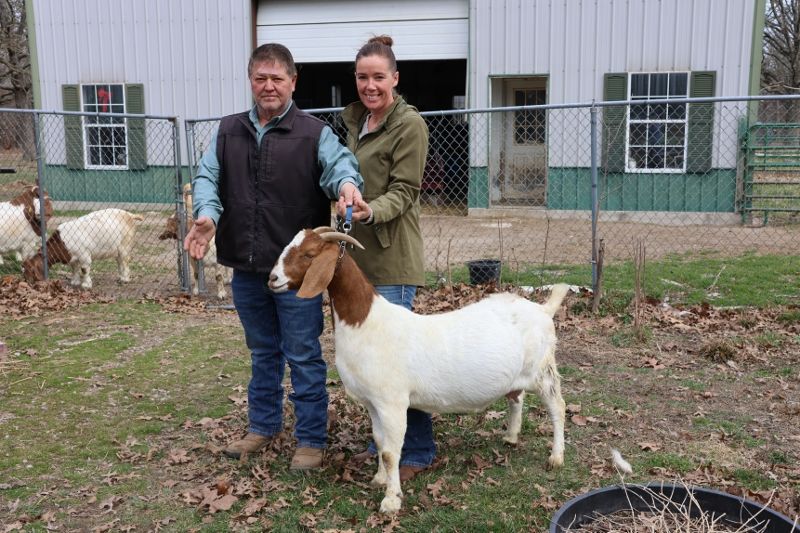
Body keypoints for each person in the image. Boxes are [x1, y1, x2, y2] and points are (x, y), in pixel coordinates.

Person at [185, 43, 363, 470]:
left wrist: (346, 187)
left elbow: (339, 165)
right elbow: (207, 176)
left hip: (297, 273)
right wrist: (207, 215)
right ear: (251, 81)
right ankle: (262, 427)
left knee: (302, 354)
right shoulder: (228, 131)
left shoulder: (314, 132)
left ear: (292, 82)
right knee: (263, 352)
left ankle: (311, 440)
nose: (268, 86)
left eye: (277, 78)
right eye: (260, 78)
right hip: (247, 269)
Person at [335, 35, 436, 482]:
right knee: (369, 359)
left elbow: (405, 191)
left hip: (392, 256)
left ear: (395, 78)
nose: (370, 85)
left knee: (398, 362)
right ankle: (383, 443)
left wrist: (370, 210)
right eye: (362, 77)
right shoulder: (356, 121)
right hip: (359, 260)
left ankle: (417, 449)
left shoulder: (409, 125)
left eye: (378, 77)